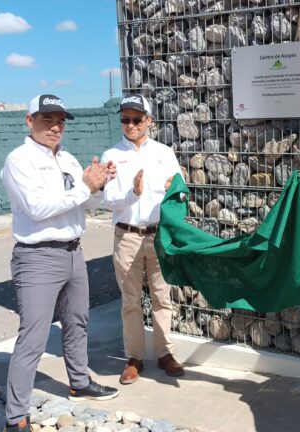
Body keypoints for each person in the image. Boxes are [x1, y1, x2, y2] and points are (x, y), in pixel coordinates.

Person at [0, 95, 119, 432]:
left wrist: (98, 185)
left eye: (60, 121)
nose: (54, 127)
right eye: (46, 119)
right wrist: (85, 186)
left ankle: (79, 381)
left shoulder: (66, 159)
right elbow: (38, 208)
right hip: (37, 257)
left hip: (73, 251)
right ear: (29, 120)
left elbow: (85, 205)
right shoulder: (18, 160)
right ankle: (16, 416)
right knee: (33, 336)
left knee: (77, 321)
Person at [101, 94, 185, 384]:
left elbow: (180, 190)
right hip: (127, 235)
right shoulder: (111, 155)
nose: (131, 124)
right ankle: (134, 358)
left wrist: (174, 191)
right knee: (131, 301)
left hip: (158, 235)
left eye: (137, 119)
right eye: (125, 119)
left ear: (149, 120)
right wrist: (132, 193)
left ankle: (165, 353)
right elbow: (108, 200)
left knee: (163, 298)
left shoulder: (163, 152)